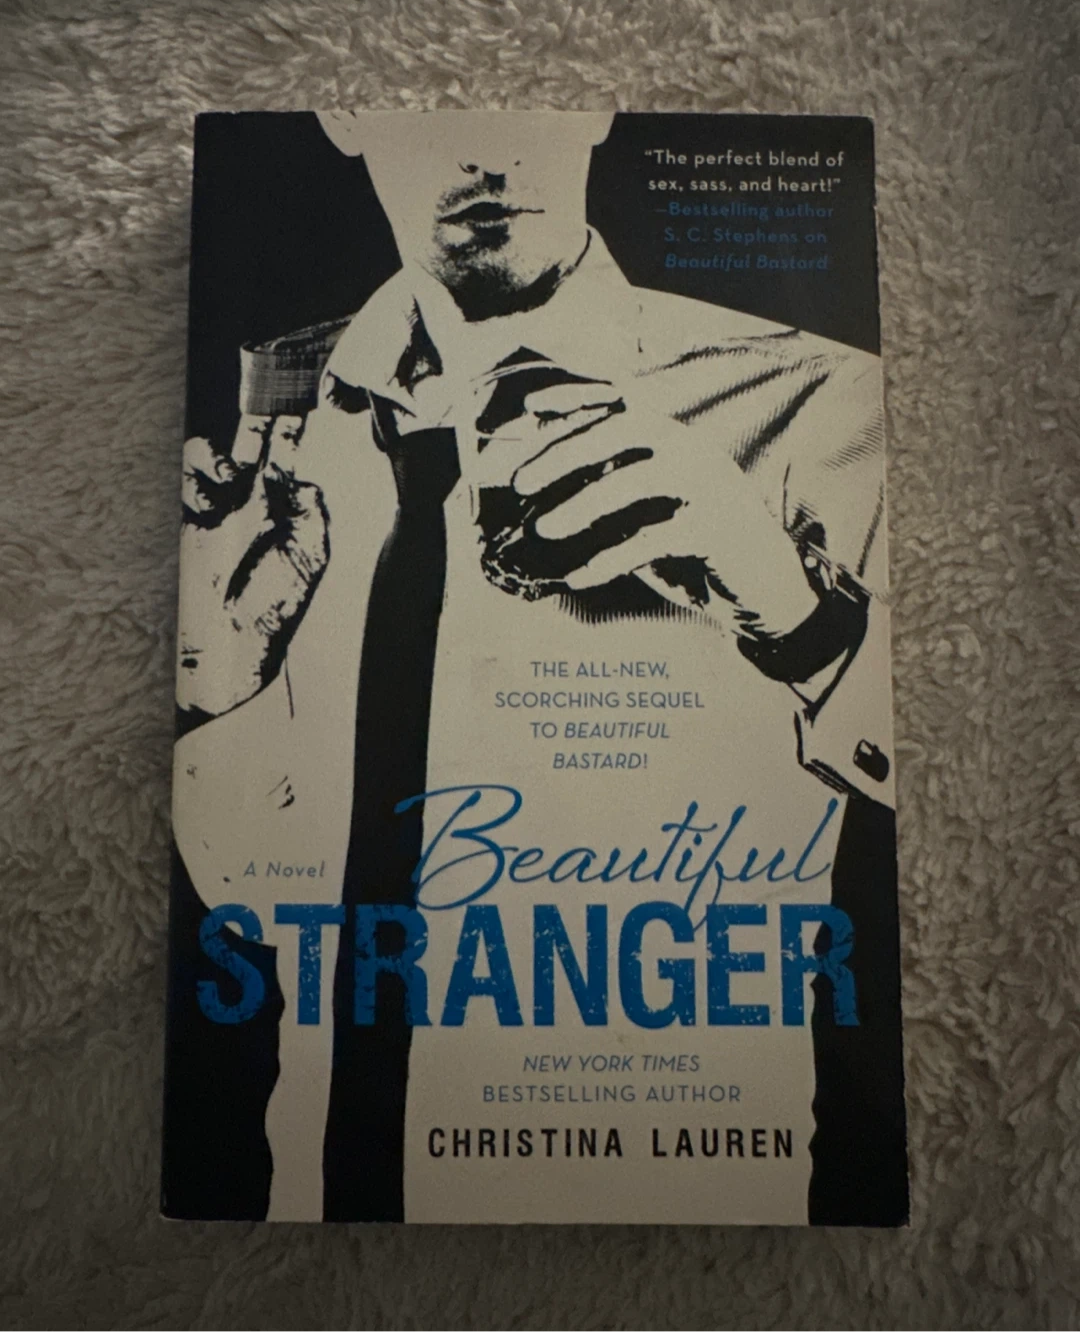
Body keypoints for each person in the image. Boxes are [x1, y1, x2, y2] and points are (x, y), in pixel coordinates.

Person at [164, 111, 906, 1225]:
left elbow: (970, 822)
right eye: (442, 123)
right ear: (348, 122)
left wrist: (802, 622)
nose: (490, 157)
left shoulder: (821, 402)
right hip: (317, 1227)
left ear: (597, 116)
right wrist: (218, 697)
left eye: (528, 121)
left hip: (682, 1195)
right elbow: (268, 899)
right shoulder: (279, 425)